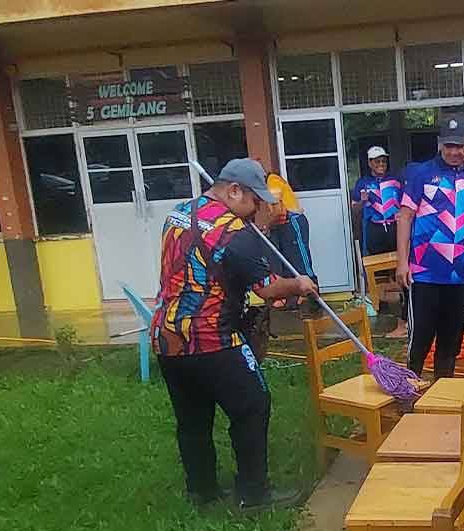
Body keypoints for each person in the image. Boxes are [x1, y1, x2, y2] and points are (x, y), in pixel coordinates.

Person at [152, 158, 317, 511]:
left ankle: (202, 491)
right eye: (254, 200)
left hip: (167, 337)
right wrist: (300, 283)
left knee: (193, 418)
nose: (258, 207)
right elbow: (270, 290)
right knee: (253, 405)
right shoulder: (235, 232)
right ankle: (254, 494)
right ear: (233, 190)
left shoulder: (178, 212)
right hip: (212, 337)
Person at [396, 114, 464, 378]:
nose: (454, 152)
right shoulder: (420, 174)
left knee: (450, 345)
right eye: (449, 146)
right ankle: (409, 397)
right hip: (423, 273)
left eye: (459, 146)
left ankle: (443, 400)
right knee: (419, 342)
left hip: (460, 276)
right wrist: (401, 262)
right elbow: (405, 217)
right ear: (440, 144)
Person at [351, 146, 407, 338]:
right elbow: (355, 208)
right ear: (369, 163)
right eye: (376, 161)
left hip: (392, 226)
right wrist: (362, 201)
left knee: (397, 263)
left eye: (383, 161)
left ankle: (401, 298)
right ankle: (378, 300)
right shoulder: (362, 183)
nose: (380, 164)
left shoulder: (395, 180)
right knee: (374, 264)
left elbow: (405, 203)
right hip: (374, 227)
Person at [266, 174, 318, 312]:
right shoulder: (267, 185)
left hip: (293, 221)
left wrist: (266, 226)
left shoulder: (272, 182)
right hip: (283, 224)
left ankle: (312, 295)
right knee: (287, 260)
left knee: (300, 260)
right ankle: (294, 298)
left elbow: (279, 212)